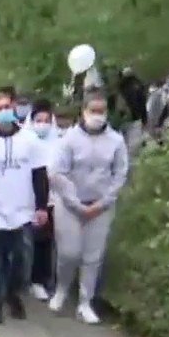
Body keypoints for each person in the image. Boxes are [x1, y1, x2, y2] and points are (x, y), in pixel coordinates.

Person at [0, 88, 50, 323]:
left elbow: (39, 173)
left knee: (21, 262)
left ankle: (13, 294)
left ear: (14, 108)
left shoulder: (29, 139)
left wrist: (42, 206)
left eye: (7, 107)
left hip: (23, 210)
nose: (4, 112)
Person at [49, 91, 129, 325]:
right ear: (84, 111)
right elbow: (58, 172)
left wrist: (103, 203)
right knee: (69, 253)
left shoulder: (116, 140)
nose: (97, 116)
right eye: (93, 111)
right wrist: (74, 202)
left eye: (101, 111)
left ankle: (85, 302)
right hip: (70, 205)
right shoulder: (69, 140)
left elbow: (120, 173)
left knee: (93, 257)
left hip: (101, 206)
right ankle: (62, 289)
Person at [27, 100, 60, 301]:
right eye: (38, 120)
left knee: (44, 242)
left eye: (46, 120)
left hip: (51, 199)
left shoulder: (59, 143)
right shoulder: (26, 142)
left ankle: (40, 279)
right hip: (26, 198)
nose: (43, 124)